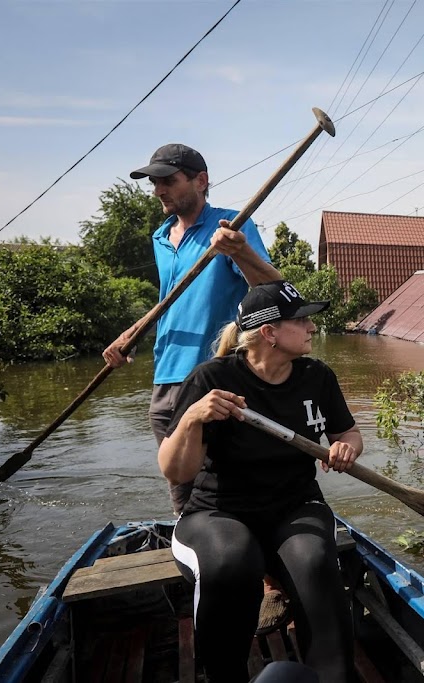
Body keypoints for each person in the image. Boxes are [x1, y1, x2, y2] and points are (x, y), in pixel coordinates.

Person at [160, 280, 362, 682]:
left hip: (295, 505)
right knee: (231, 563)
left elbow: (349, 434)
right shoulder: (210, 378)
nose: (312, 328)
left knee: (317, 561)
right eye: (301, 320)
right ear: (269, 333)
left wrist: (346, 449)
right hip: (218, 511)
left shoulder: (316, 376)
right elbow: (175, 471)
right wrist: (192, 418)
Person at [103, 143, 281, 514]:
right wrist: (131, 335)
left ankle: (255, 560)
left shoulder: (232, 226)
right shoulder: (160, 237)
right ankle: (194, 557)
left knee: (232, 484)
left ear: (201, 181)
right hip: (166, 380)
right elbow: (171, 301)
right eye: (154, 183)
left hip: (218, 376)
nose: (158, 191)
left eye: (168, 180)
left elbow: (274, 291)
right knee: (182, 489)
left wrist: (240, 252)